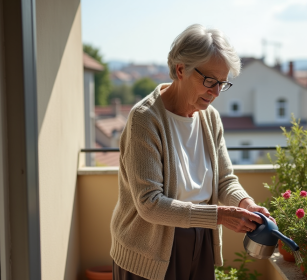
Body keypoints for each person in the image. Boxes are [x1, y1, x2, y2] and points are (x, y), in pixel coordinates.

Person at [110, 24, 276, 280]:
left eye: (223, 83)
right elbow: (149, 204)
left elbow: (224, 180)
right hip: (149, 250)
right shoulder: (145, 119)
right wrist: (220, 215)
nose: (216, 92)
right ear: (180, 69)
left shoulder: (210, 118)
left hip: (201, 239)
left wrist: (246, 204)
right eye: (210, 80)